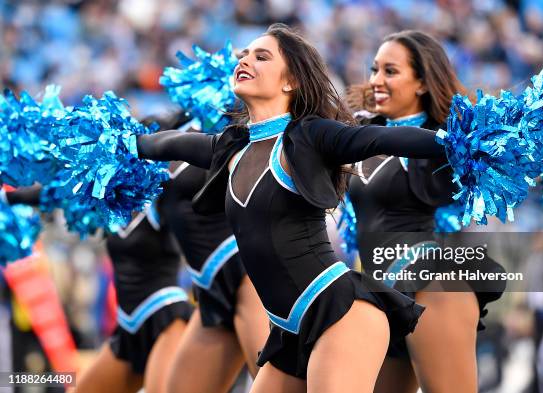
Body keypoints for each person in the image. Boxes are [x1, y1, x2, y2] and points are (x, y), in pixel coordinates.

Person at [136, 23, 449, 392]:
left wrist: (455, 141)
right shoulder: (231, 148)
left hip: (340, 314)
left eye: (262, 56)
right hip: (286, 333)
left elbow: (380, 137)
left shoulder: (311, 136)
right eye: (245, 54)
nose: (246, 59)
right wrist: (126, 145)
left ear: (290, 82)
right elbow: (169, 143)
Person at [346, 30, 505, 393]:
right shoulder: (363, 136)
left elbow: (482, 156)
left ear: (420, 83)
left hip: (430, 286)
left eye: (390, 71)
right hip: (380, 295)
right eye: (374, 70)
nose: (376, 81)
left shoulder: (444, 141)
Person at [5, 186, 191, 393]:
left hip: (166, 319)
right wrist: (7, 197)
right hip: (129, 327)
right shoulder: (109, 203)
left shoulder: (161, 196)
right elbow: (56, 192)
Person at [147, 115, 269, 393]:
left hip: (245, 276)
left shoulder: (229, 117)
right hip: (208, 289)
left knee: (271, 383)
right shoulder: (163, 135)